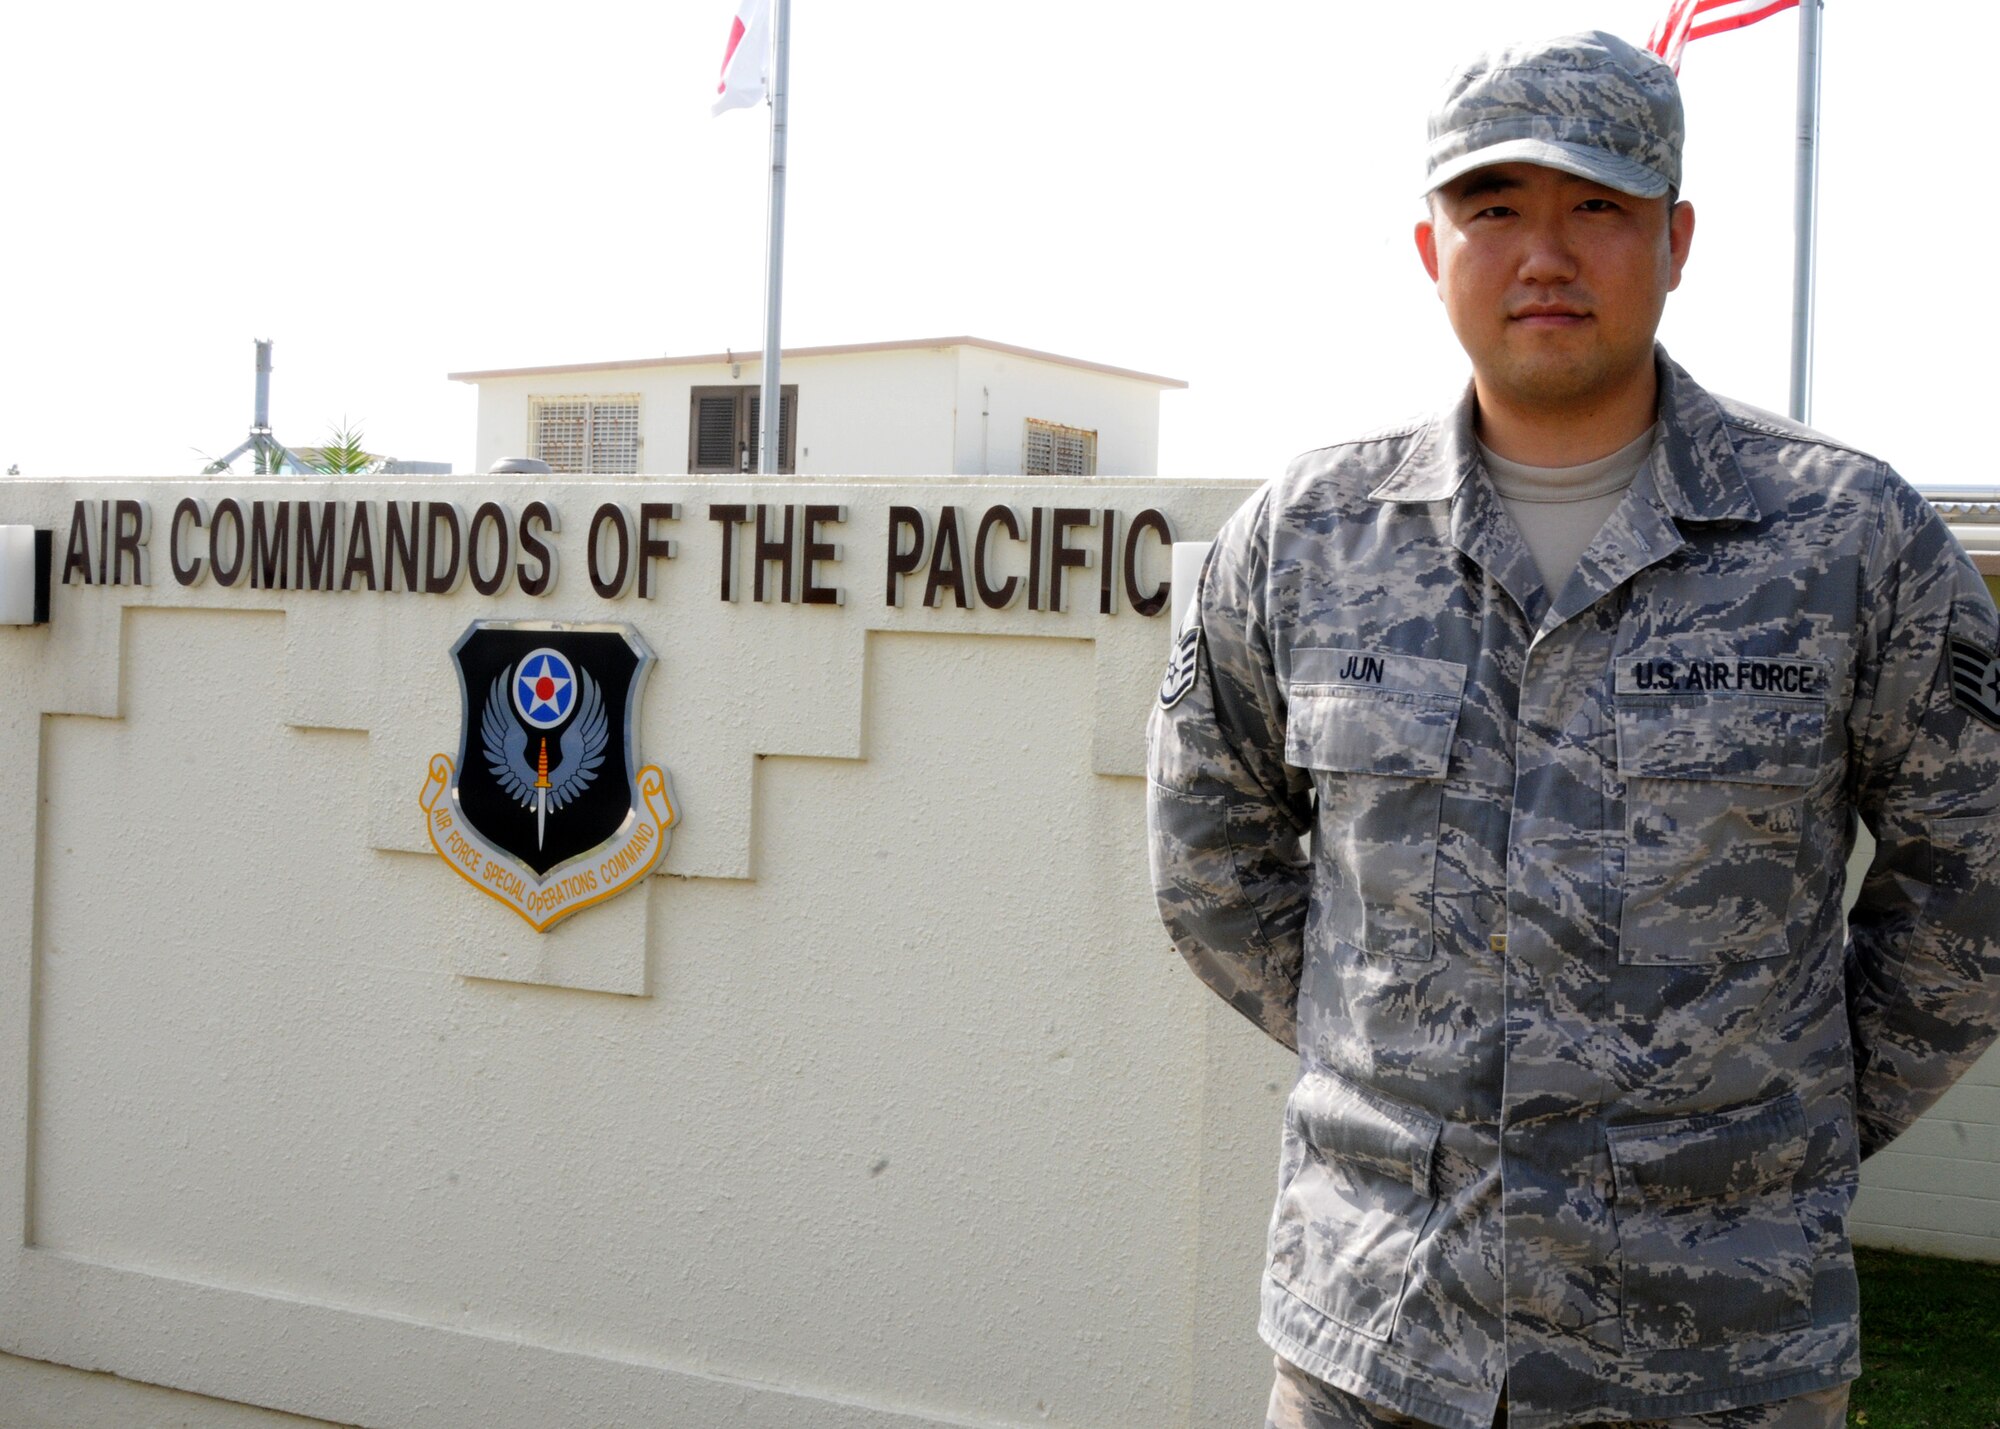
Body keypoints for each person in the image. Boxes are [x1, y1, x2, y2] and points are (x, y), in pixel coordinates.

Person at [1146, 30, 2000, 1429]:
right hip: (1379, 1339)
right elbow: (1209, 861)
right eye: (1496, 209)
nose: (1545, 254)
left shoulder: (1850, 539)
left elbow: (1974, 879)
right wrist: (1403, 1057)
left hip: (1721, 1347)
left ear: (1676, 239)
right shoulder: (1309, 538)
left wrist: (1779, 1114)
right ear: (1434, 250)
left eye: (1598, 207)